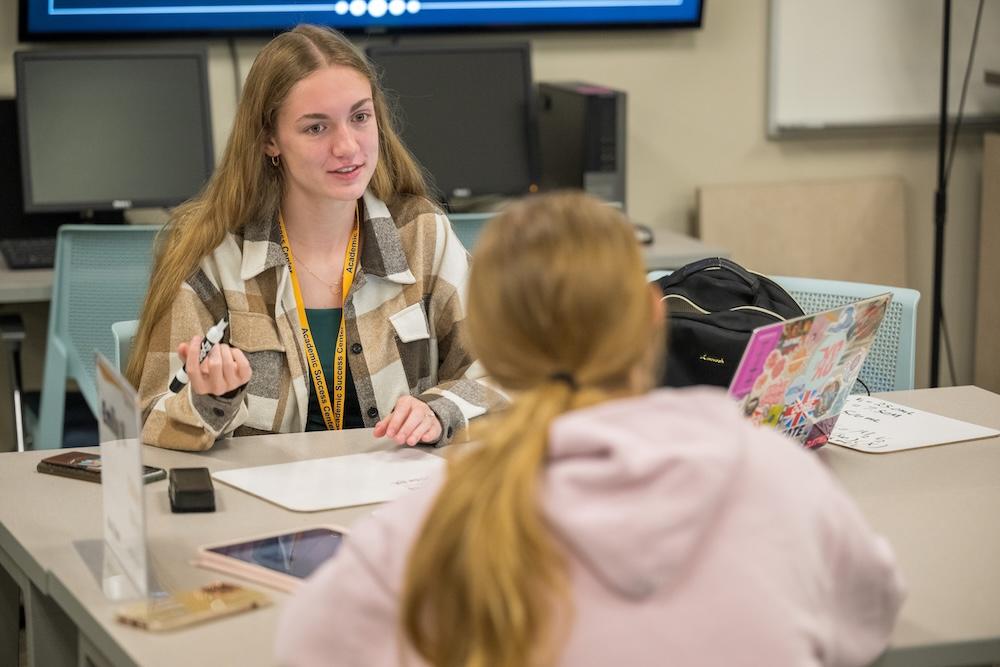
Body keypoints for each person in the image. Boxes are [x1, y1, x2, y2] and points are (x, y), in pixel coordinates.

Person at [274, 191, 906, 667]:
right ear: (653, 322)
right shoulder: (776, 473)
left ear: (488, 346)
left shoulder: (431, 530)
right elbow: (870, 620)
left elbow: (306, 648)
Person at [126, 24, 504, 451]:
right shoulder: (213, 254)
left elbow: (505, 370)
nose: (347, 146)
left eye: (360, 117)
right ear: (270, 140)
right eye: (316, 128)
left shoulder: (421, 234)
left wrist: (440, 409)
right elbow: (148, 417)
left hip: (396, 495)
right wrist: (210, 401)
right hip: (263, 507)